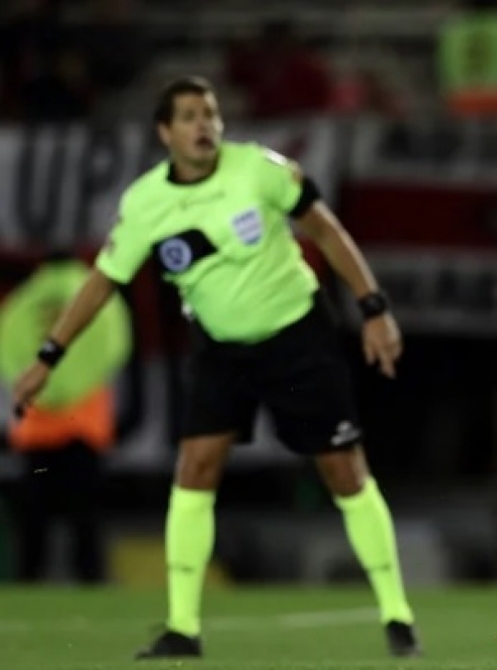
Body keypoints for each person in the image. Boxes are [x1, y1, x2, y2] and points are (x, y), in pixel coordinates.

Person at [8, 76, 420, 659]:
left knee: (342, 470)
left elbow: (326, 230)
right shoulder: (147, 203)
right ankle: (182, 627)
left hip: (296, 335)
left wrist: (373, 308)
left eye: (210, 114)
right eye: (189, 116)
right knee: (195, 467)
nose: (204, 125)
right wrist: (49, 355)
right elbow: (103, 281)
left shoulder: (260, 170)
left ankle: (397, 613)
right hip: (221, 347)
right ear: (164, 132)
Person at [0, 251, 132, 583]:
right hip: (85, 423)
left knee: (33, 520)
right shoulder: (98, 297)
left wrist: (43, 387)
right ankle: (92, 584)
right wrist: (76, 386)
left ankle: (28, 584)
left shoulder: (24, 298)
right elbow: (116, 346)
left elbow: (7, 348)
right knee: (85, 517)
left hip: (37, 425)